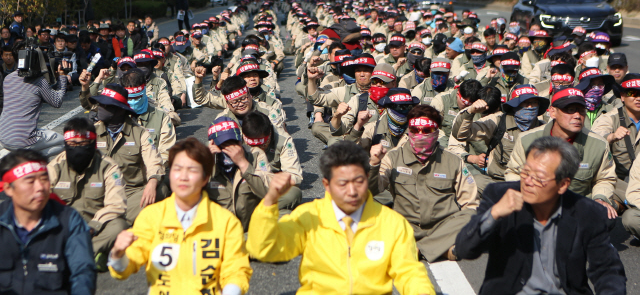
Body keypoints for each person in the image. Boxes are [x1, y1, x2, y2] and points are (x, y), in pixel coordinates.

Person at [246, 141, 435, 294]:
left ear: (367, 177)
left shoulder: (392, 223)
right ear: (326, 185)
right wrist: (270, 201)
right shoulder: (308, 216)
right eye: (343, 184)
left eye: (359, 181)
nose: (352, 191)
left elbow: (409, 272)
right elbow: (265, 249)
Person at [455, 136, 626, 295]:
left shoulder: (587, 212)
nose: (528, 181)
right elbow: (465, 249)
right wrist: (494, 214)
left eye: (539, 177)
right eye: (525, 172)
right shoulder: (500, 196)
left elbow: (608, 270)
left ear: (563, 184)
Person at [108, 138, 252, 294]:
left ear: (205, 178)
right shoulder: (151, 216)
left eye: (192, 170)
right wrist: (118, 254)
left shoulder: (226, 222)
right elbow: (128, 265)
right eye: (177, 169)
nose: (183, 176)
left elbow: (236, 270)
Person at [369, 105, 479, 261]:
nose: (420, 135)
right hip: (406, 225)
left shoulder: (453, 160)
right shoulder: (393, 157)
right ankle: (441, 250)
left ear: (436, 132)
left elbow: (470, 204)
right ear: (409, 131)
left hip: (443, 226)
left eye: (426, 131)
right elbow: (373, 189)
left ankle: (419, 248)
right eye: (415, 130)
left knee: (472, 216)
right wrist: (373, 164)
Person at [505, 87, 620, 219]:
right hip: (536, 204)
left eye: (581, 110)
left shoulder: (598, 144)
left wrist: (601, 198)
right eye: (570, 110)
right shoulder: (527, 139)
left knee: (605, 215)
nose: (577, 116)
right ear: (553, 112)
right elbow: (513, 172)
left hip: (577, 207)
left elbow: (605, 178)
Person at [0, 149, 96, 294]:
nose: (40, 187)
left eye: (44, 179)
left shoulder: (68, 219)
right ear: (8, 188)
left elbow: (83, 272)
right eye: (30, 181)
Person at [48, 118, 128, 269]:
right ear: (65, 144)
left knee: (120, 226)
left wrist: (92, 226)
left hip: (95, 227)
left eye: (83, 144)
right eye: (72, 144)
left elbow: (116, 205)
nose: (77, 148)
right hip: (64, 227)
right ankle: (90, 255)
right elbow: (41, 200)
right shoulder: (55, 167)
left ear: (93, 143)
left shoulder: (108, 166)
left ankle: (72, 255)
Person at [88, 83, 165, 224]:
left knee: (162, 188)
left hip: (130, 193)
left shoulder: (140, 133)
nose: (99, 108)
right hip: (99, 191)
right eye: (100, 104)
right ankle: (113, 221)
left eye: (105, 105)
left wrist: (152, 182)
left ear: (118, 110)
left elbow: (153, 161)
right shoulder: (92, 132)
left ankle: (109, 222)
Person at [0, 42, 69, 157]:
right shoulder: (38, 81)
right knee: (65, 143)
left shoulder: (8, 79)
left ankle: (8, 155)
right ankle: (28, 158)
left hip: (4, 136)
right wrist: (62, 77)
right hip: (24, 140)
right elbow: (57, 102)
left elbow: (31, 92)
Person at [205, 117, 273, 231]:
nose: (230, 149)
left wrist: (243, 164)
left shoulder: (255, 155)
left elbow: (269, 194)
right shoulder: (203, 160)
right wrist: (208, 164)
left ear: (241, 142)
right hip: (218, 234)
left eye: (234, 143)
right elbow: (190, 200)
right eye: (224, 144)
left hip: (249, 231)